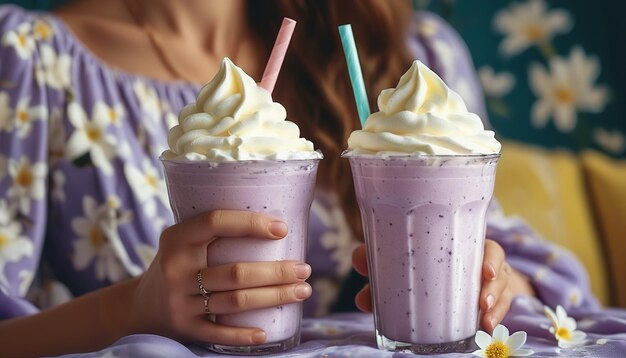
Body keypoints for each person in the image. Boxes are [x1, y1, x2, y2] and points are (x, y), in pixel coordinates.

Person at [0, 0, 598, 356]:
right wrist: (129, 308)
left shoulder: (407, 54)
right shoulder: (27, 60)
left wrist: (491, 281)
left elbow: (496, 242)